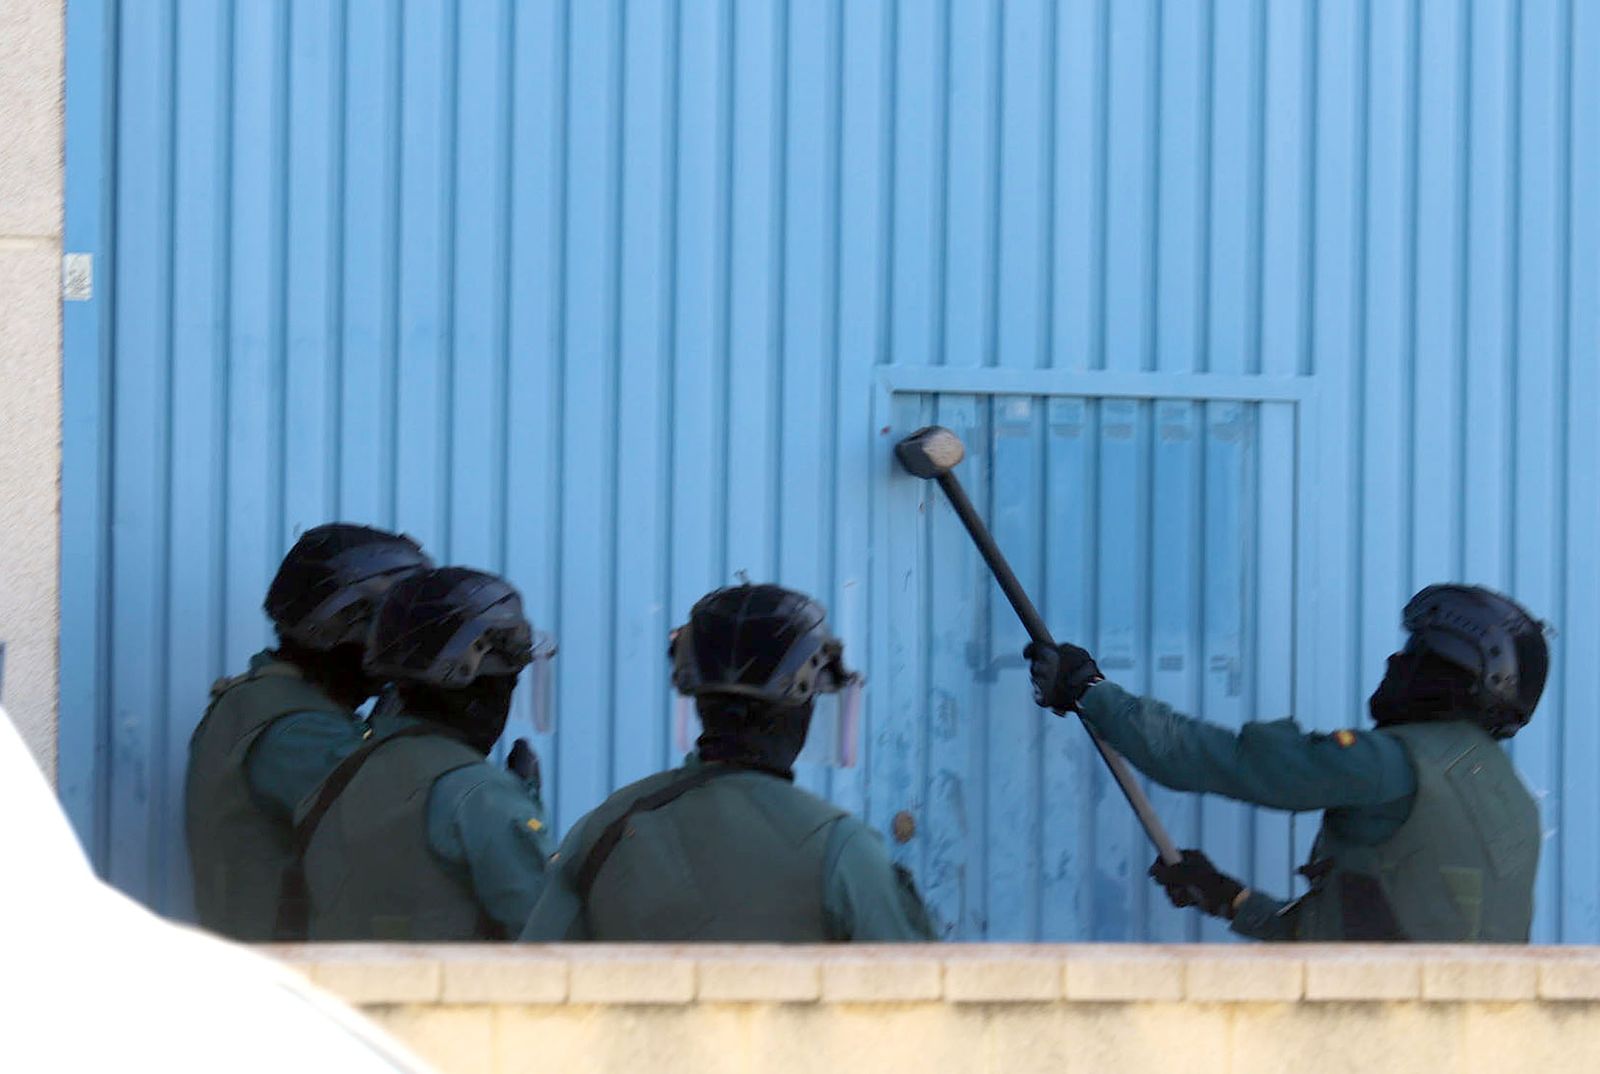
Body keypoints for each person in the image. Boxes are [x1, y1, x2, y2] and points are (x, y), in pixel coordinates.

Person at [1026, 584, 1548, 942]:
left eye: (1415, 653)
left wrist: (1090, 691)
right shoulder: (1513, 800)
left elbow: (1216, 760)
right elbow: (1360, 940)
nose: (1396, 663)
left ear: (1450, 675)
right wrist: (1228, 897)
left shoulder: (1394, 766)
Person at [520, 583, 937, 942]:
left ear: (696, 694)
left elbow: (533, 986)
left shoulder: (605, 830)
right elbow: (923, 1010)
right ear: (804, 695)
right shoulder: (841, 848)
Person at [185, 523, 433, 941]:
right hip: (297, 983)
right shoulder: (299, 732)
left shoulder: (263, 701)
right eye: (391, 633)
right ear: (342, 624)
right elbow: (414, 841)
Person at [295, 566, 554, 941]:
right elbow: (552, 942)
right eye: (507, 681)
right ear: (472, 676)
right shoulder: (480, 795)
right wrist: (520, 805)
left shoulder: (337, 776)